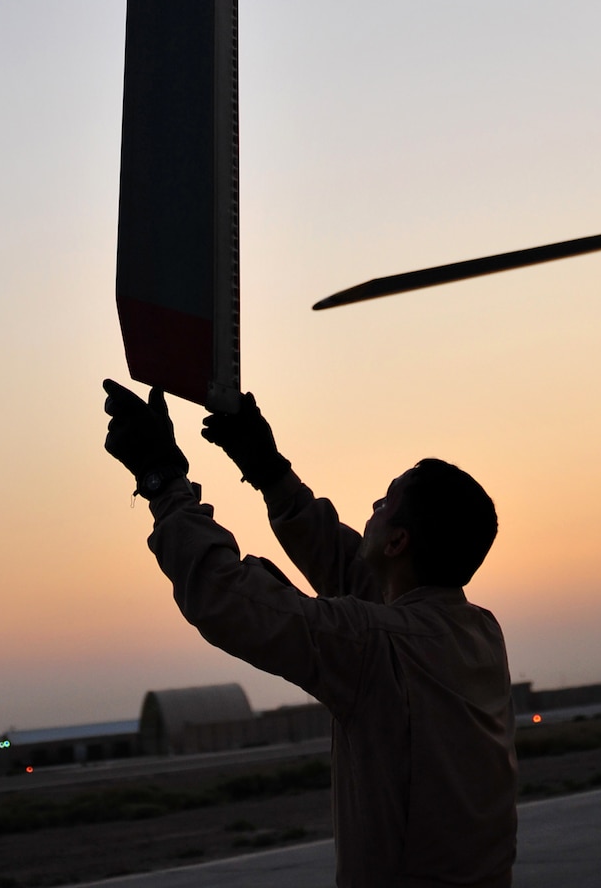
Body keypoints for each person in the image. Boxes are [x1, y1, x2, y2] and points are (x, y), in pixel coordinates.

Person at [102, 379, 517, 888]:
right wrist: (269, 471)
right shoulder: (477, 633)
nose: (371, 508)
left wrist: (163, 481)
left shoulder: (377, 646)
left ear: (399, 542)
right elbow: (358, 577)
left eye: (384, 505)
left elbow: (226, 596)